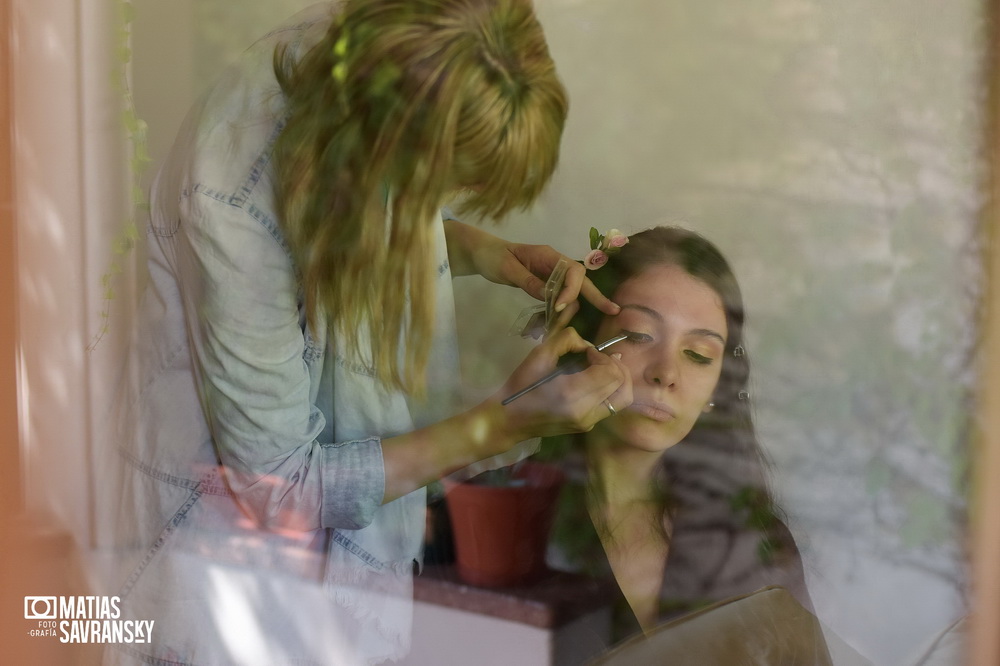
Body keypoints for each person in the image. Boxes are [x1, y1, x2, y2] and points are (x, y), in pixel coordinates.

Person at [103, 2, 628, 664]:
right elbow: (278, 485)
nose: (433, 208)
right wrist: (500, 427)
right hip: (225, 572)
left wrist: (477, 252)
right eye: (441, 186)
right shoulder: (232, 199)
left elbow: (372, 216)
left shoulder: (367, 65)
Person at [537, 226, 813, 640]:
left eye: (698, 355)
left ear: (718, 389)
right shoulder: (495, 517)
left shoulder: (757, 544)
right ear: (580, 341)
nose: (665, 373)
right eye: (636, 335)